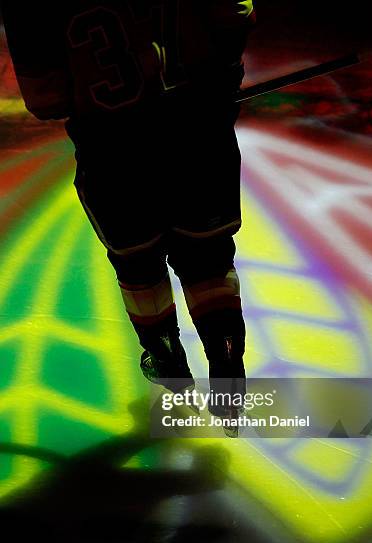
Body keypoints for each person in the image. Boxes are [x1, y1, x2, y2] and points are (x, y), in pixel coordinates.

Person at [2, 1, 256, 432]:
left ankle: (167, 358)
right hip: (200, 136)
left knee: (137, 264)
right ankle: (227, 361)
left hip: (112, 153)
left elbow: (45, 98)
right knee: (208, 258)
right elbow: (236, 14)